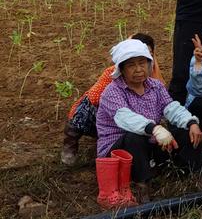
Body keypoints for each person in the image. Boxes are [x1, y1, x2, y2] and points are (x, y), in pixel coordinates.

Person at [96, 38, 202, 204]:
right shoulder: (112, 92)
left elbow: (171, 108)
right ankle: (141, 185)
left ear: (149, 64)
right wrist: (154, 128)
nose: (138, 69)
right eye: (131, 65)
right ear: (122, 69)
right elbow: (125, 118)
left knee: (187, 132)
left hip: (150, 141)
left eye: (142, 63)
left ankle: (200, 176)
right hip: (119, 150)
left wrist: (191, 122)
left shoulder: (155, 86)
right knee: (134, 137)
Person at [63, 32, 163, 166]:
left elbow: (161, 97)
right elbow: (95, 97)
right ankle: (71, 143)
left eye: (148, 53)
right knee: (85, 108)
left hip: (134, 120)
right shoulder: (112, 75)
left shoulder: (152, 73)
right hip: (105, 112)